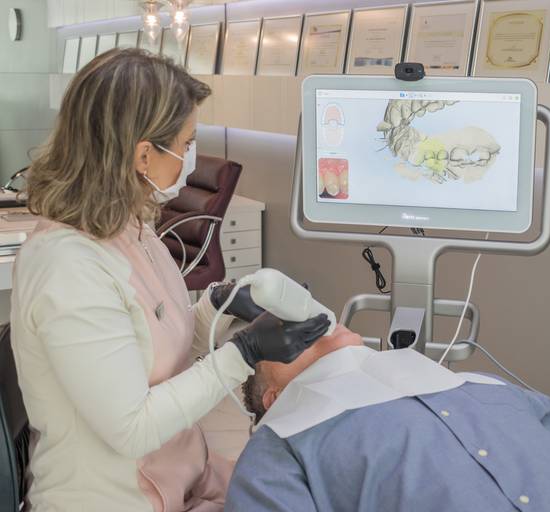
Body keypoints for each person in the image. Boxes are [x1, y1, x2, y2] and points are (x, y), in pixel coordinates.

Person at [10, 48, 329, 511]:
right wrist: (243, 353)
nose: (189, 157)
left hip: (182, 474)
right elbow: (132, 428)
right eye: (186, 143)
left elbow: (154, 344)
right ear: (144, 155)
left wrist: (219, 306)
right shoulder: (67, 268)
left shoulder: (129, 228)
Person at [226, 323, 550, 512]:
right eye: (279, 343)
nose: (301, 328)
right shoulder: (281, 446)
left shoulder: (485, 385)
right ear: (274, 397)